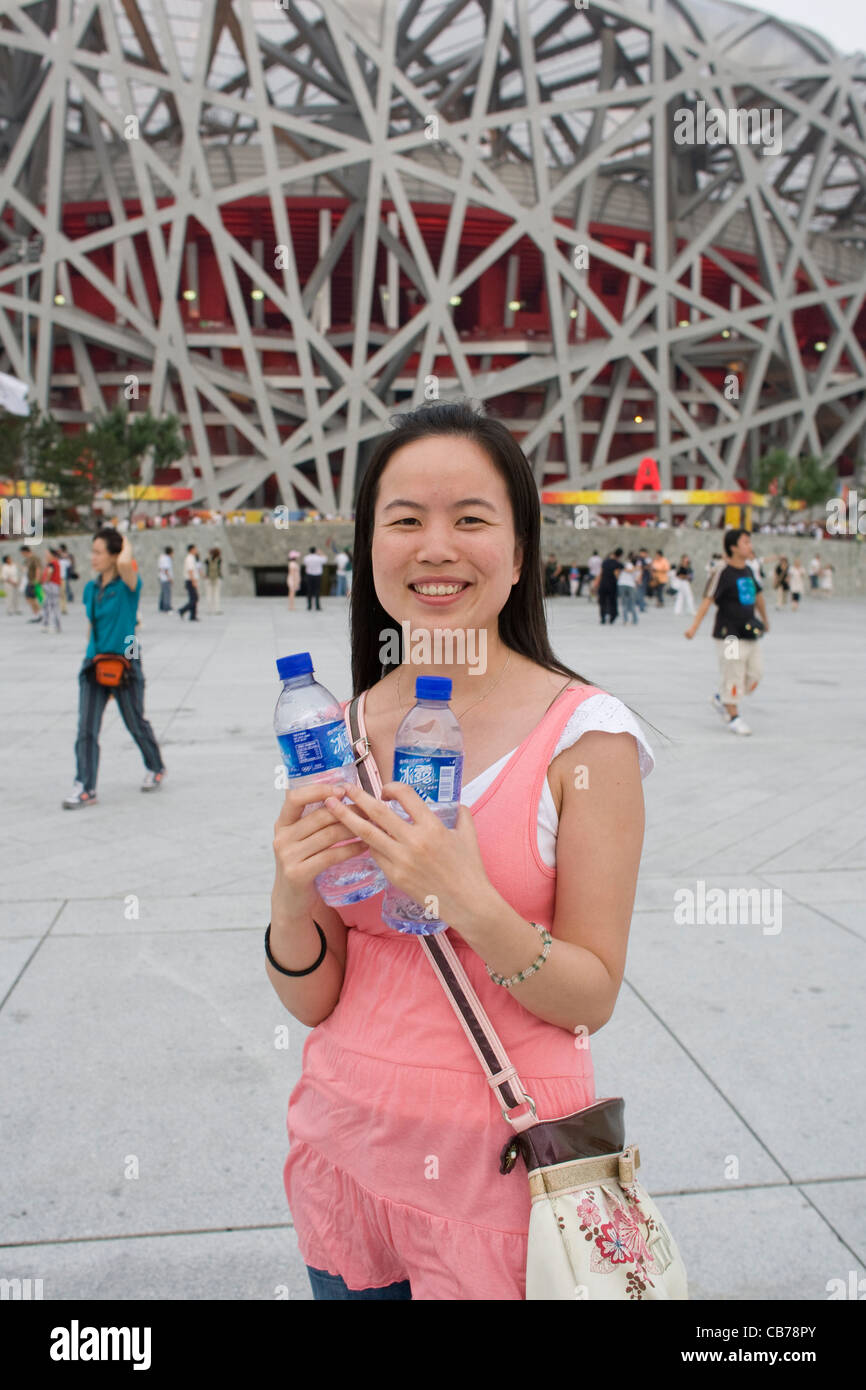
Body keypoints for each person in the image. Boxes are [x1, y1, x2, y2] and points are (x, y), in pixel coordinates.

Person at [269, 400, 654, 1300]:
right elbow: (312, 996)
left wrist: (466, 898)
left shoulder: (586, 738)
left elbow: (590, 995)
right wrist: (290, 891)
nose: (435, 547)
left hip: (506, 1190)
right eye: (404, 520)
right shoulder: (341, 729)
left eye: (471, 519)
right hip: (346, 1169)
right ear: (370, 547)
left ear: (520, 555)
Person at [62, 528, 166, 808]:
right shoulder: (90, 589)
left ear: (114, 554)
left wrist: (124, 538)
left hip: (127, 660)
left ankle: (156, 766)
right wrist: (90, 656)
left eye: (98, 552)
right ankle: (85, 786)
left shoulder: (129, 585)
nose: (92, 557)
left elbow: (123, 564)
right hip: (95, 665)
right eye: (92, 551)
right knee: (86, 727)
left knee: (135, 722)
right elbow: (90, 626)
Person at [684, 528, 770, 736]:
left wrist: (765, 620)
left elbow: (758, 596)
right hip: (728, 634)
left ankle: (722, 697)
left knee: (755, 674)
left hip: (750, 631)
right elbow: (707, 599)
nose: (750, 546)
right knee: (733, 671)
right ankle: (733, 716)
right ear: (733, 547)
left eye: (750, 542)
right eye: (746, 542)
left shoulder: (748, 570)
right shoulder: (722, 572)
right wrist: (694, 627)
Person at [597, 547, 623, 623]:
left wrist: (597, 583)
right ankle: (612, 617)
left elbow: (600, 574)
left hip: (603, 584)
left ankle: (603, 617)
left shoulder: (605, 562)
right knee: (612, 601)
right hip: (612, 585)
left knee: (602, 602)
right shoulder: (617, 563)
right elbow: (616, 574)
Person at [41, 547, 63, 633]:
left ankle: (56, 626)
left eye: (47, 554)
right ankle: (46, 624)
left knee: (53, 606)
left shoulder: (52, 563)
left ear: (52, 555)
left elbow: (49, 573)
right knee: (47, 605)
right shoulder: (54, 563)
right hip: (52, 586)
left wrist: (45, 582)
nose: (46, 556)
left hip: (51, 586)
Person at [178, 544, 200, 620]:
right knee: (195, 598)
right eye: (195, 549)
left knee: (193, 599)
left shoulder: (192, 558)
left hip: (191, 580)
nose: (196, 550)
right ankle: (182, 610)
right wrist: (193, 581)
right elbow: (190, 571)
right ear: (191, 550)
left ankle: (193, 616)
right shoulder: (189, 558)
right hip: (190, 580)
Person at [21, 545, 42, 621]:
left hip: (33, 581)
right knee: (29, 598)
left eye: (22, 553)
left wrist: (37, 580)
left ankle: (38, 614)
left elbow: (38, 569)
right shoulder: (28, 560)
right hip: (29, 581)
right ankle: (36, 613)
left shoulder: (34, 558)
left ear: (25, 552)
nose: (22, 555)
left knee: (32, 598)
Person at [617, 552, 639, 624]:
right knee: (631, 603)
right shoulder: (633, 566)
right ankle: (633, 620)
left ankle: (627, 620)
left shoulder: (626, 564)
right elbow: (636, 578)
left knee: (625, 603)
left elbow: (619, 572)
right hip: (629, 585)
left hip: (623, 584)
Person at [302, 545, 325, 611]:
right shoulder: (319, 558)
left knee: (309, 590)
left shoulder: (306, 558)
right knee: (317, 590)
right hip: (317, 575)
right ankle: (317, 606)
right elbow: (325, 559)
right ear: (315, 551)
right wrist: (321, 553)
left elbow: (305, 564)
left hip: (309, 575)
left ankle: (309, 606)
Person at [205, 546, 223, 614]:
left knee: (209, 594)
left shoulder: (207, 560)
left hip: (208, 578)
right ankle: (217, 609)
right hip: (217, 578)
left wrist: (209, 554)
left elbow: (205, 563)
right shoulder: (219, 559)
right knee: (216, 594)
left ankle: (209, 610)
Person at [158, 546, 174, 611]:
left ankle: (161, 606)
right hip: (165, 578)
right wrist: (170, 578)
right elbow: (166, 569)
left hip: (161, 577)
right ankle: (166, 607)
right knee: (167, 593)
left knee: (163, 593)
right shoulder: (166, 559)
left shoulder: (162, 557)